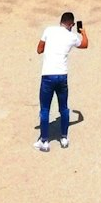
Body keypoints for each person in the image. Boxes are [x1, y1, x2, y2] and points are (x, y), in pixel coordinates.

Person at [35, 10, 87, 151]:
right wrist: (83, 32)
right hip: (62, 76)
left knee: (45, 109)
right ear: (72, 24)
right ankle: (64, 138)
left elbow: (39, 49)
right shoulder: (72, 36)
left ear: (60, 21)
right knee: (63, 108)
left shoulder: (49, 30)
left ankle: (44, 141)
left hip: (47, 75)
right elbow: (85, 44)